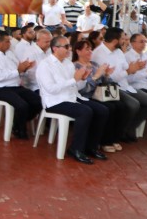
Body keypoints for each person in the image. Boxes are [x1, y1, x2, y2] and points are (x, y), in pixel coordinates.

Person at [35, 36, 107, 164]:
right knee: (85, 111)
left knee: (102, 110)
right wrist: (74, 79)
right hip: (55, 101)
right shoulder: (45, 65)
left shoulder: (68, 63)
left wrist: (82, 79)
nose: (69, 49)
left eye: (69, 46)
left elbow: (76, 87)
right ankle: (76, 149)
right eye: (66, 46)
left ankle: (91, 146)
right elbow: (51, 89)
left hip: (72, 97)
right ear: (55, 48)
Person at [91, 27, 147, 142]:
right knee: (133, 104)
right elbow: (110, 78)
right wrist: (129, 71)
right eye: (123, 39)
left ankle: (128, 128)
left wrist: (136, 67)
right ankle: (120, 132)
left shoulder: (118, 52)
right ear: (115, 41)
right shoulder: (99, 54)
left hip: (125, 86)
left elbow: (126, 68)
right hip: (111, 88)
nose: (125, 42)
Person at [0, 30, 42, 139]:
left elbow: (18, 68)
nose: (10, 44)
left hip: (15, 86)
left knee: (38, 101)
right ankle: (19, 129)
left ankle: (17, 123)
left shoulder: (10, 53)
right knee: (22, 105)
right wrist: (18, 71)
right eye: (7, 41)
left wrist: (25, 67)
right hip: (0, 89)